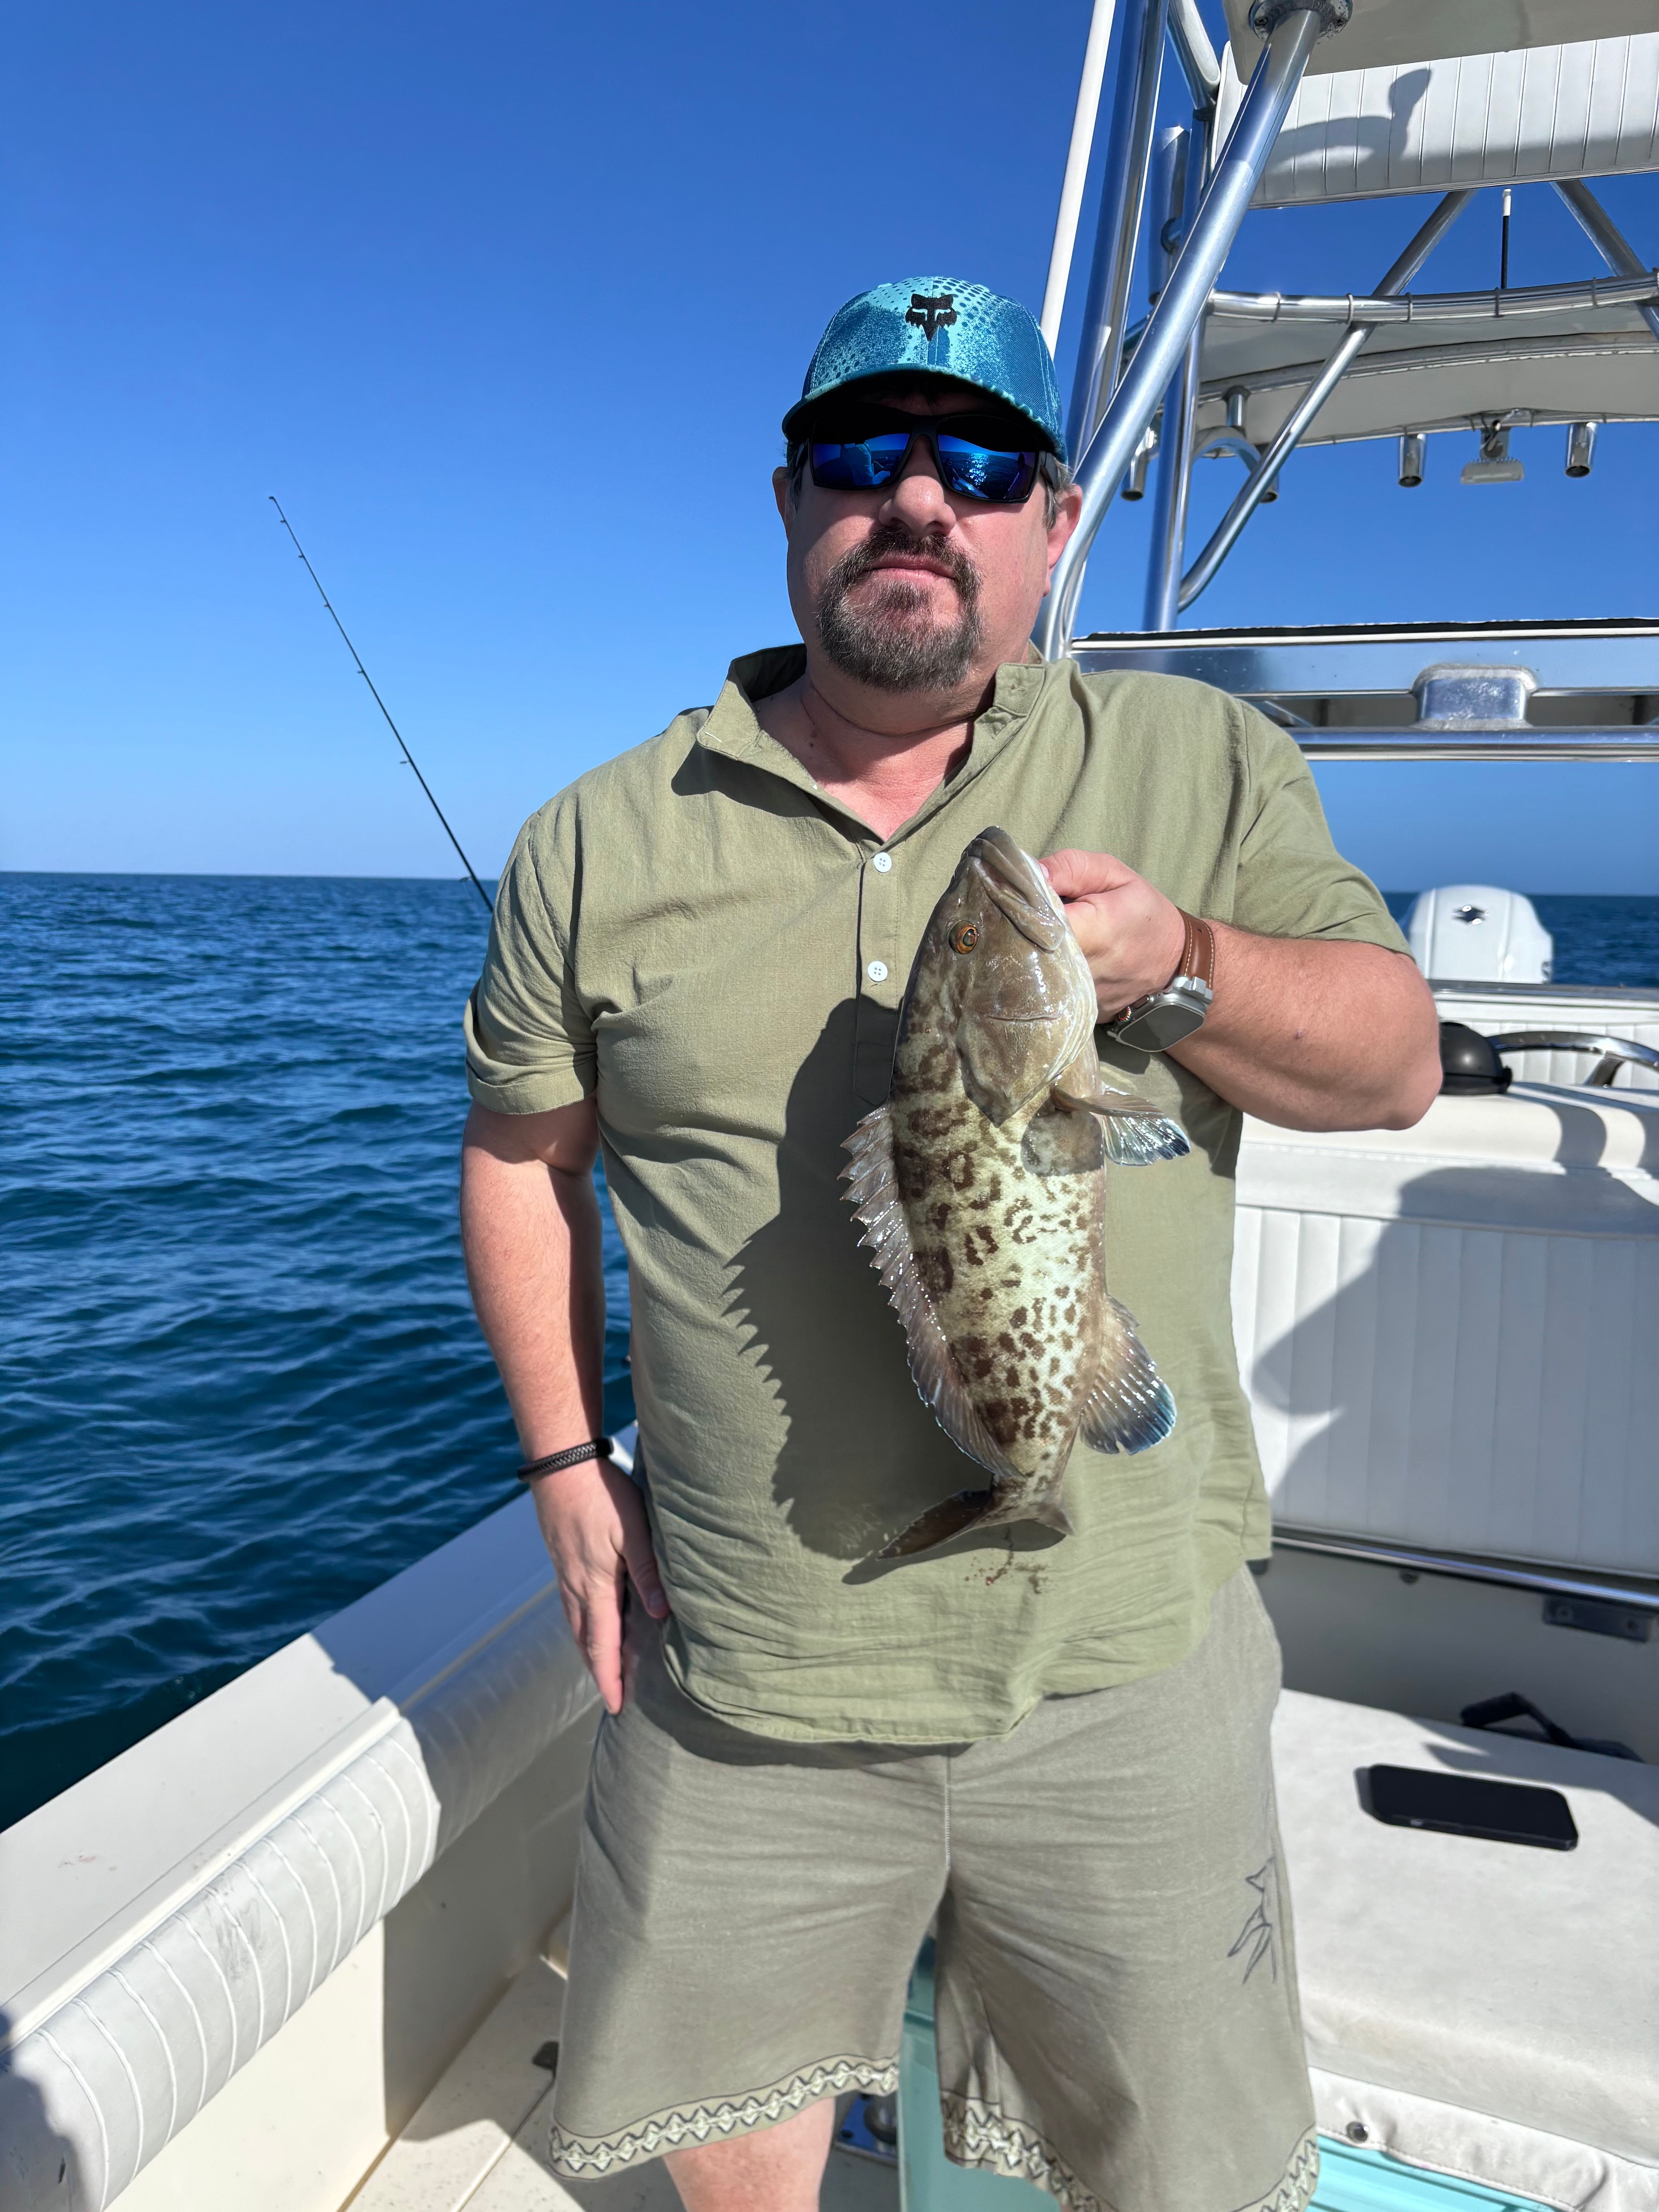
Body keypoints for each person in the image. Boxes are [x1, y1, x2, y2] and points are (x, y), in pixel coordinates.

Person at [460, 276, 1440, 2212]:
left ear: (1052, 526)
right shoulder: (596, 837)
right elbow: (518, 1161)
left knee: (1187, 2173)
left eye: (984, 465)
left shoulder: (1200, 760)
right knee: (729, 2159)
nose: (920, 499)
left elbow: (1397, 1063)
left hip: (1129, 1660)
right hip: (738, 1669)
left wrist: (1185, 965)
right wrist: (566, 1464)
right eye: (864, 455)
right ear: (790, 501)